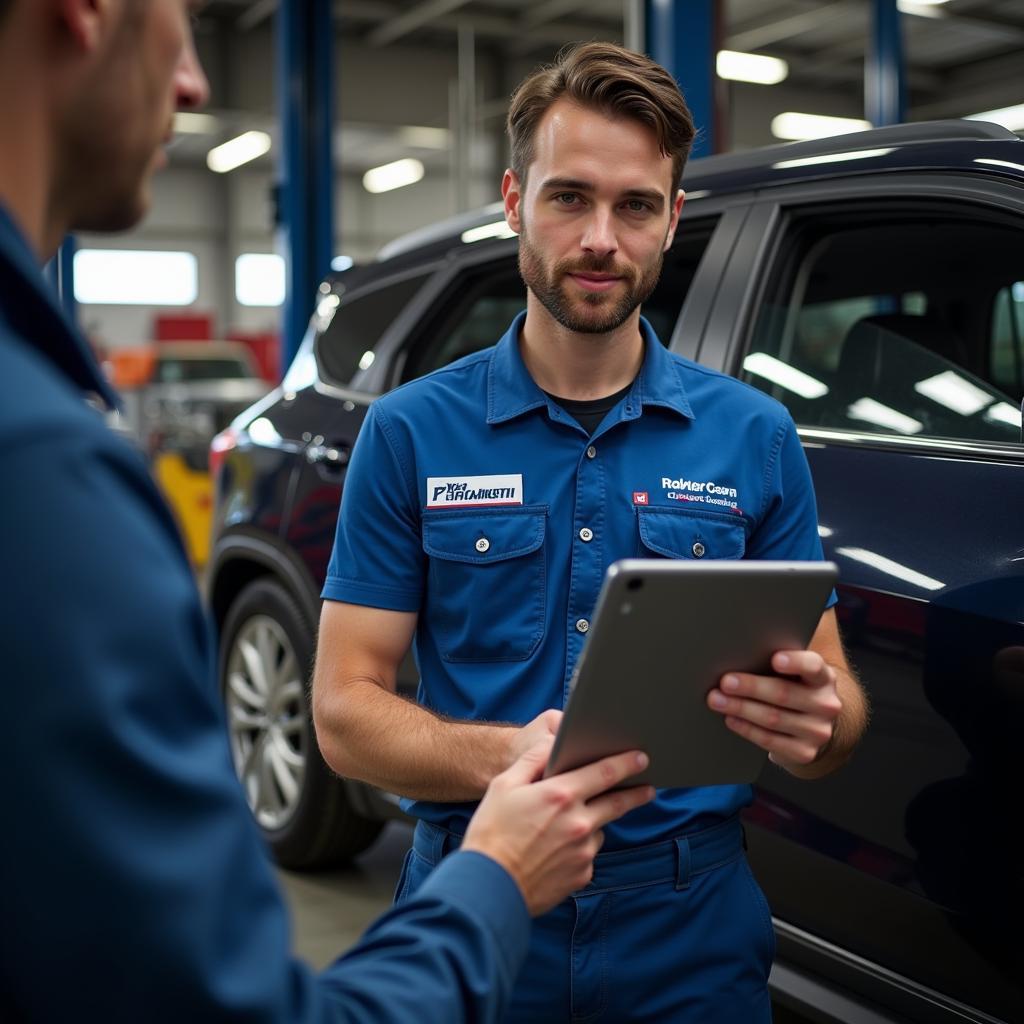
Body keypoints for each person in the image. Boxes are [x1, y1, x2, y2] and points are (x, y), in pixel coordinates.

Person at [0, 4, 656, 1021]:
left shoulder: (752, 432)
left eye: (639, 207)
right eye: (175, 24)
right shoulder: (42, 461)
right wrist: (489, 871)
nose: (194, 83)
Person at [314, 41, 870, 1023]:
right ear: (513, 199)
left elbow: (828, 721)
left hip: (688, 926)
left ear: (671, 221)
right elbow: (343, 713)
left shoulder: (755, 436)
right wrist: (507, 756)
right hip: (482, 896)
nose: (601, 237)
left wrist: (823, 724)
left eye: (635, 206)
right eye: (568, 197)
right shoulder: (408, 433)